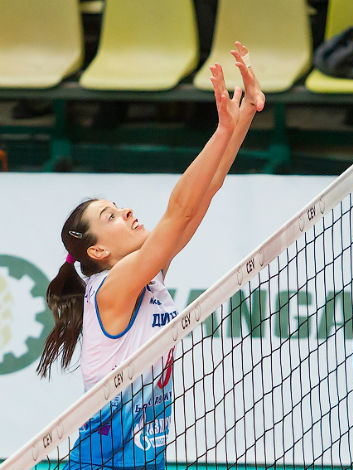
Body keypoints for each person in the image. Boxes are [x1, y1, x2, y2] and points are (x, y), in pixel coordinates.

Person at [35, 42, 265, 469]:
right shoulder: (110, 288)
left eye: (118, 206)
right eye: (111, 216)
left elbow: (205, 192)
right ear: (98, 250)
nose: (126, 212)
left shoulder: (149, 274)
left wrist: (248, 111)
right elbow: (179, 212)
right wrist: (221, 130)